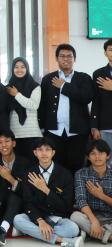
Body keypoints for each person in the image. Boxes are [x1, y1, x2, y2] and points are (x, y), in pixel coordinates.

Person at [13, 137, 82, 247]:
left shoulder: (65, 174)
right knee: (17, 219)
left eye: (47, 149)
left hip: (57, 218)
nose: (44, 153)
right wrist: (40, 221)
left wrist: (45, 189)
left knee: (73, 229)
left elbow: (67, 206)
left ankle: (30, 231)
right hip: (37, 217)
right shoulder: (29, 173)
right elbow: (28, 202)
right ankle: (64, 240)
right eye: (40, 149)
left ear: (53, 152)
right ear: (35, 153)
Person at [39, 43, 94, 175]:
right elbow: (43, 105)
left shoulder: (83, 78)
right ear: (56, 58)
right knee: (57, 167)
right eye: (62, 56)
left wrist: (64, 86)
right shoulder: (48, 79)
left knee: (77, 167)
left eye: (69, 56)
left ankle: (76, 189)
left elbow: (86, 97)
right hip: (54, 131)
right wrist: (42, 128)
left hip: (78, 133)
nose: (66, 59)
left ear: (74, 59)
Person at [71, 139, 112, 243]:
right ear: (88, 157)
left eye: (101, 153)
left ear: (108, 155)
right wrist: (94, 221)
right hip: (90, 217)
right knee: (75, 217)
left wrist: (101, 195)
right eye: (93, 153)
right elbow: (81, 200)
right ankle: (108, 236)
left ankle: (91, 233)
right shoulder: (81, 174)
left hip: (110, 216)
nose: (97, 156)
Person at [6, 57, 42, 162]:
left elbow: (34, 105)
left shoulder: (34, 86)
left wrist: (17, 95)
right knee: (18, 166)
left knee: (32, 165)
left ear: (27, 68)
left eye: (22, 67)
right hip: (14, 134)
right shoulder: (9, 88)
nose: (19, 70)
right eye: (16, 67)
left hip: (32, 133)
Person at [91, 39, 112, 167]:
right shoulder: (98, 74)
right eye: (111, 50)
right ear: (105, 53)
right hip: (105, 124)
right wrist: (95, 127)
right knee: (105, 160)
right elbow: (96, 101)